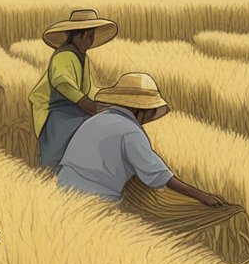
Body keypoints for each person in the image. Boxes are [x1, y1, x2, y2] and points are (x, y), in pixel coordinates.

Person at [57, 72, 225, 206]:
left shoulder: (96, 119)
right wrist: (202, 196)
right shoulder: (131, 132)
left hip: (61, 189)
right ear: (140, 110)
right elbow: (159, 175)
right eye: (150, 111)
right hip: (96, 200)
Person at [29, 9, 117, 172]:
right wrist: (92, 107)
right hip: (58, 114)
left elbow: (89, 89)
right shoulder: (63, 56)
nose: (91, 40)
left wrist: (111, 99)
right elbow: (63, 82)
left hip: (75, 111)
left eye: (92, 36)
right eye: (89, 35)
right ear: (79, 35)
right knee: (55, 162)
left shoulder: (82, 57)